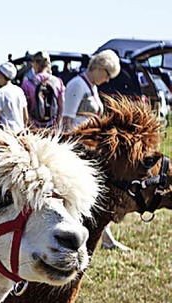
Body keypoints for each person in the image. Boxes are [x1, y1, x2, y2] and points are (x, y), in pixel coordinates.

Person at [62, 49, 124, 250]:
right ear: (98, 67)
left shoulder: (92, 87)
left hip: (88, 147)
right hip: (77, 148)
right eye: (106, 74)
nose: (106, 80)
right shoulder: (77, 85)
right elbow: (67, 119)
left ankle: (106, 238)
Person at [21, 51, 65, 129]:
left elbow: (25, 109)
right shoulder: (58, 82)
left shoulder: (27, 83)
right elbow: (62, 106)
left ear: (35, 63)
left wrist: (33, 126)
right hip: (53, 126)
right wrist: (58, 125)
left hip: (35, 127)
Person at [0, 62, 27, 134]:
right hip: (20, 134)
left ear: (3, 75)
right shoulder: (19, 90)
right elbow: (26, 117)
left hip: (6, 136)